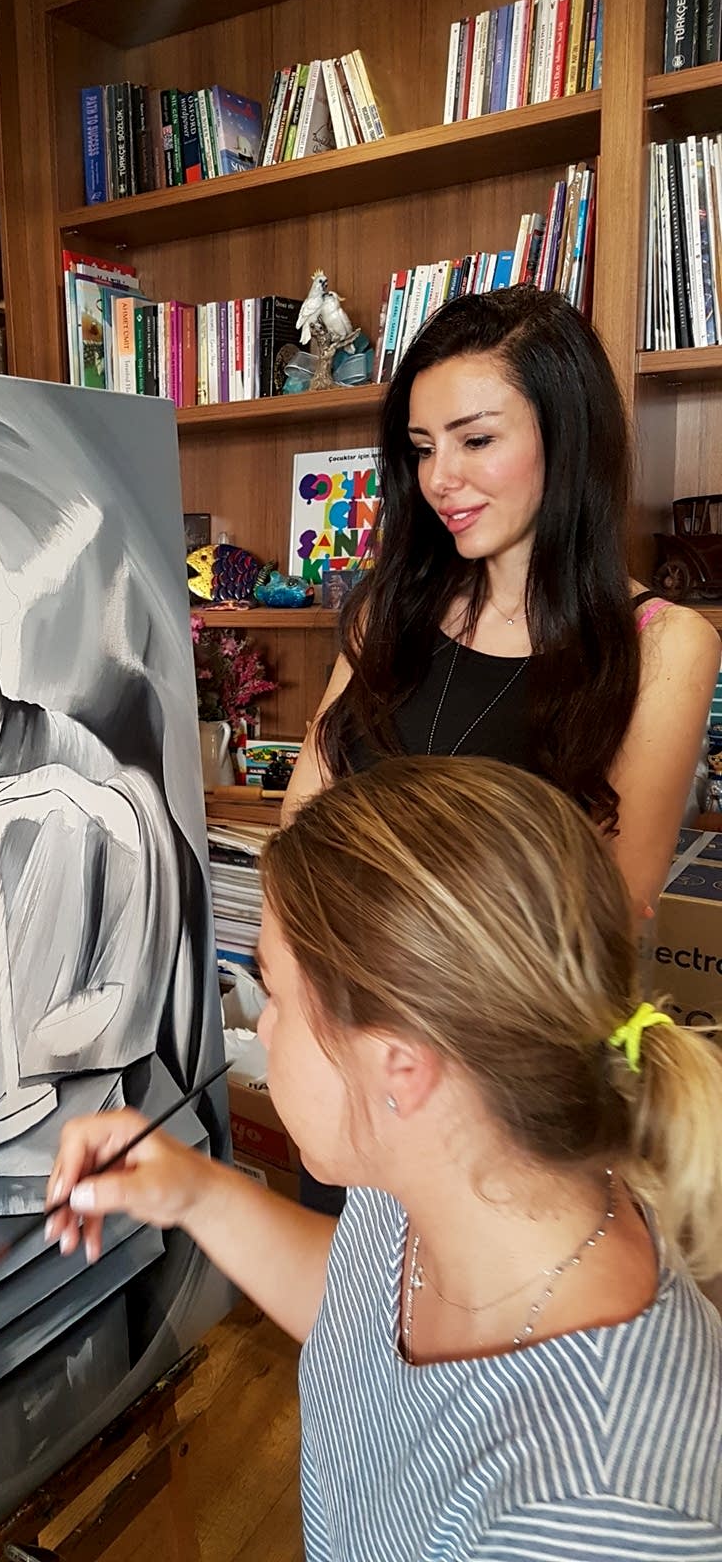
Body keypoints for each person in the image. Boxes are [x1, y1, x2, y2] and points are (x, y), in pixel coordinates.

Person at [46, 756, 722, 1562]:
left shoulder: (596, 1515)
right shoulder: (443, 1167)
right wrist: (195, 1192)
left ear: (399, 1063)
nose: (262, 1028)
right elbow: (357, 1314)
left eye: (275, 995)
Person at [282, 285, 720, 1214]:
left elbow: (601, 914)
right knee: (341, 1307)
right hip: (352, 1072)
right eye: (421, 448)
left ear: (568, 438)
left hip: (505, 1116)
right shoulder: (385, 613)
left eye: (475, 440)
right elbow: (301, 830)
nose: (440, 478)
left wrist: (369, 910)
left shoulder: (662, 646)